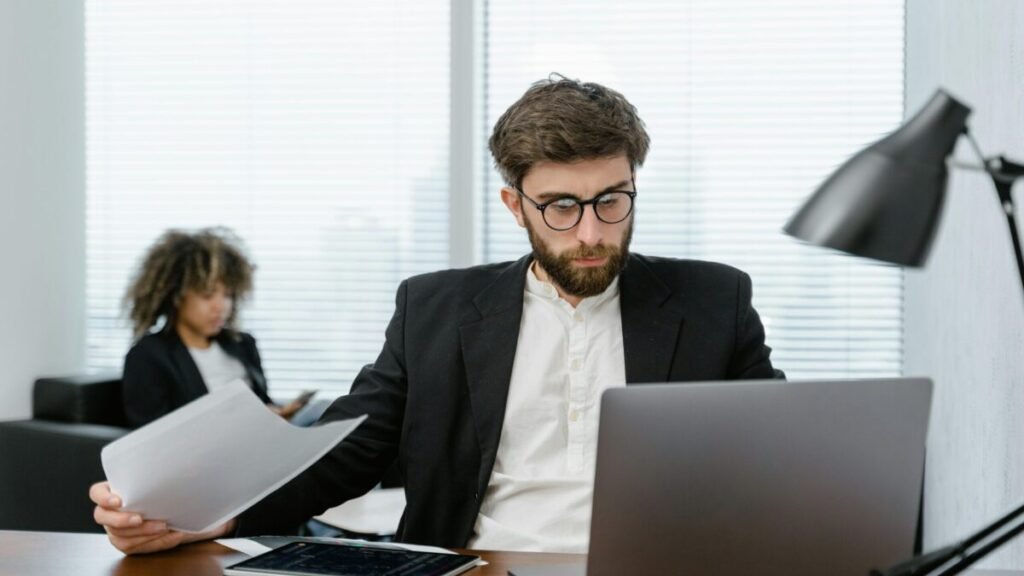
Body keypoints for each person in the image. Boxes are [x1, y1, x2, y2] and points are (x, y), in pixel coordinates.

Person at [91, 75, 784, 554]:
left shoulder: (712, 302)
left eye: (613, 199)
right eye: (562, 207)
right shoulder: (436, 309)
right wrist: (206, 517)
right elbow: (347, 450)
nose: (592, 232)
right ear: (516, 206)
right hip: (481, 563)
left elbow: (786, 452)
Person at [119, 227, 309, 428]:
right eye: (207, 295)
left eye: (227, 295)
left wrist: (275, 413)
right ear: (176, 296)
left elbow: (261, 402)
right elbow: (151, 435)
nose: (221, 307)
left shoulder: (242, 344)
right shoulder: (148, 355)